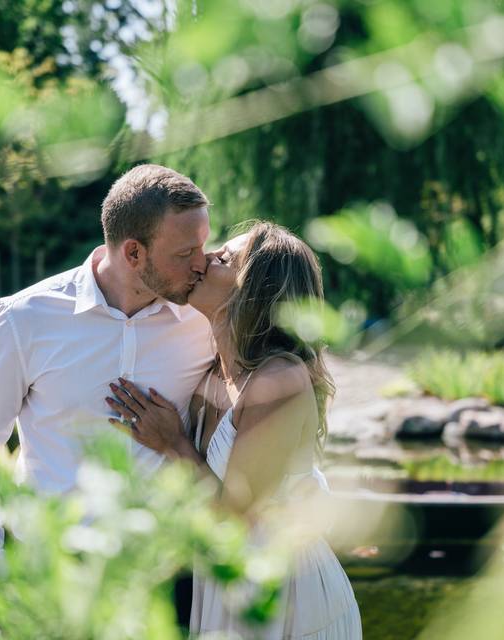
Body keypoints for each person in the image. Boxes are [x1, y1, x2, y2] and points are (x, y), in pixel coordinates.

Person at [0, 164, 216, 597]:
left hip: (168, 579)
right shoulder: (22, 320)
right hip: (53, 576)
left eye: (203, 245)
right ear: (133, 253)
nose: (201, 265)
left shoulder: (205, 321)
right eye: (184, 254)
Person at [106, 221, 363, 638]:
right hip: (226, 585)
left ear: (256, 289)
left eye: (224, 259)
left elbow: (236, 520)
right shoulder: (210, 375)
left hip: (288, 596)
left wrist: (172, 442)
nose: (205, 260)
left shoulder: (279, 380)